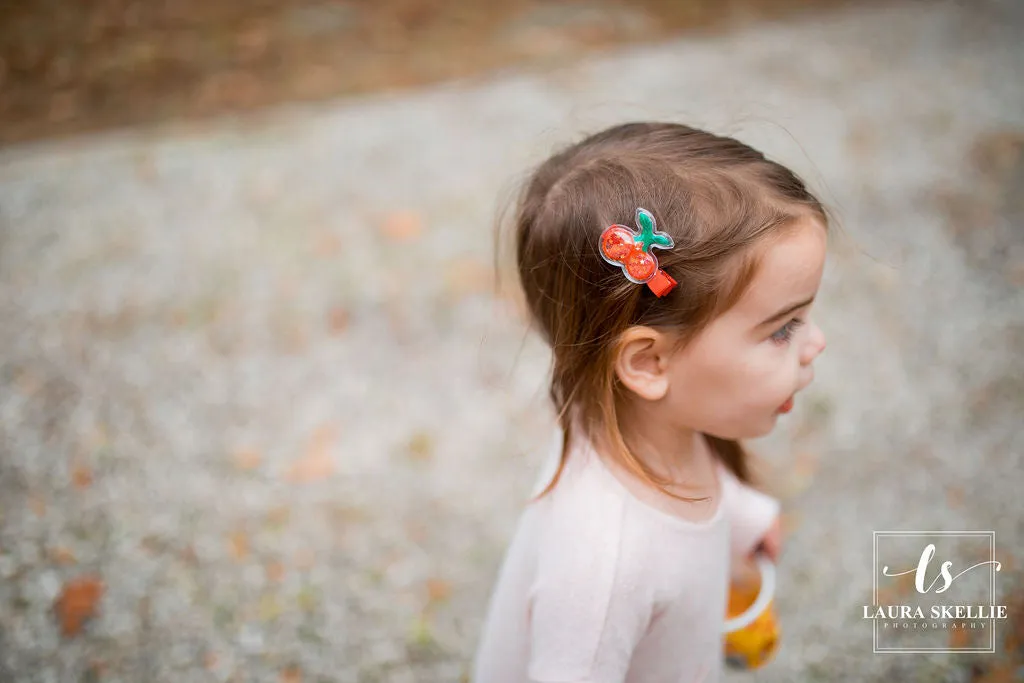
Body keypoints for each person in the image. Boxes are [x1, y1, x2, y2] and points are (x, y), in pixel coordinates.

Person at [472, 122, 828, 683]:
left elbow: (688, 477)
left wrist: (739, 519)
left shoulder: (642, 421)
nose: (816, 343)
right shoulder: (602, 567)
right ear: (647, 363)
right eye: (782, 329)